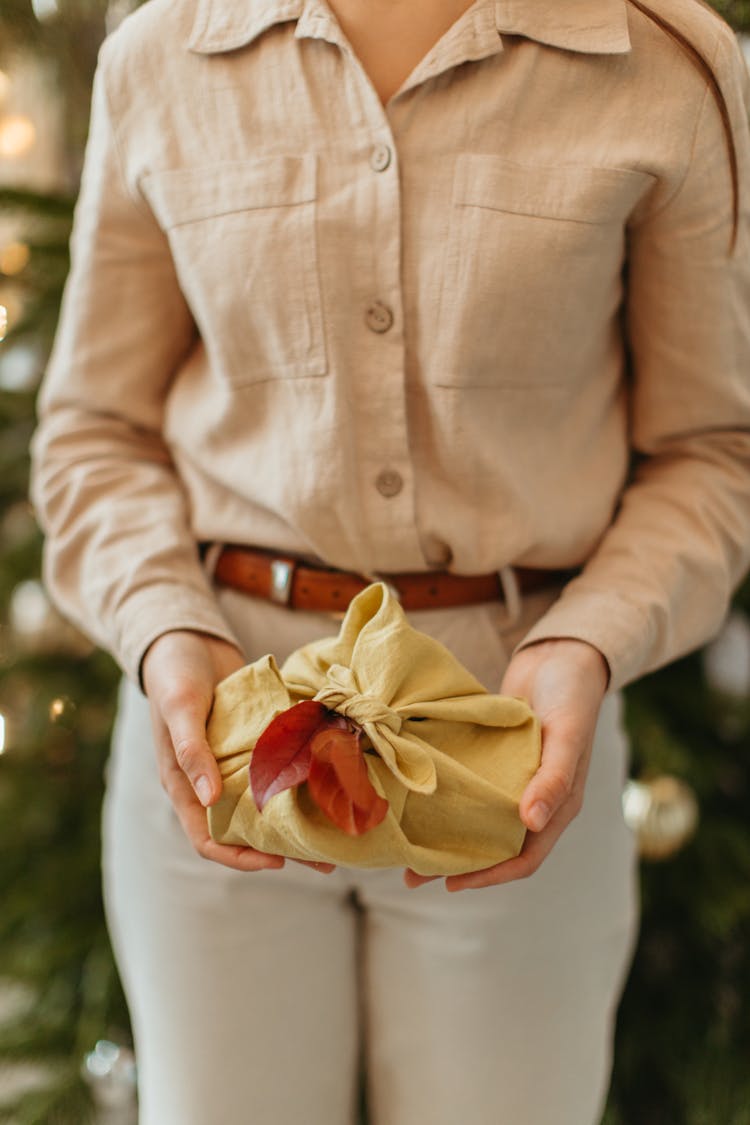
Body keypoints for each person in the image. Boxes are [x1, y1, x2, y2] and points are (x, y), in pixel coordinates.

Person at [29, 0, 750, 1121]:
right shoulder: (163, 53)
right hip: (217, 740)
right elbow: (94, 431)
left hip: (512, 747)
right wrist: (166, 629)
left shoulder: (659, 63)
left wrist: (584, 645)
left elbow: (712, 453)